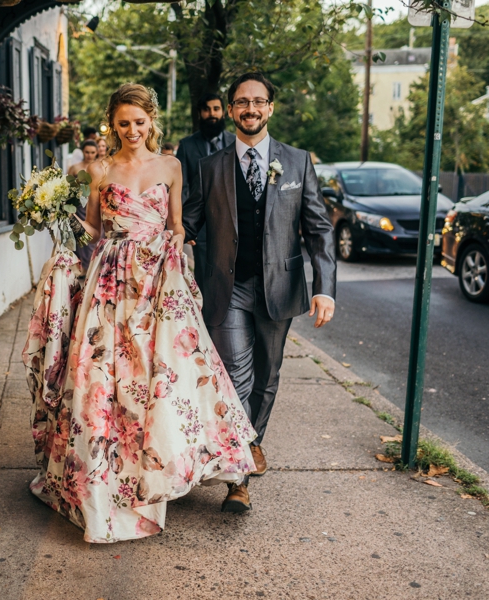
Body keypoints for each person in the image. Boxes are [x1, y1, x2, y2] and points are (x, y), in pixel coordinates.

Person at [23, 83, 258, 545]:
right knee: (102, 376)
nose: (132, 130)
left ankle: (161, 469)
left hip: (158, 280)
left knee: (162, 373)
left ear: (152, 122)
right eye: (123, 123)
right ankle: (103, 482)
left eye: (139, 122)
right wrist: (56, 212)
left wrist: (174, 248)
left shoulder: (170, 166)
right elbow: (92, 228)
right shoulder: (100, 168)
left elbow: (175, 224)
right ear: (113, 124)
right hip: (110, 280)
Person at [182, 72, 336, 487]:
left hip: (280, 288)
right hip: (226, 288)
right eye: (242, 101)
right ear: (231, 109)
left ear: (270, 108)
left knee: (267, 378)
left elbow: (319, 228)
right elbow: (186, 225)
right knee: (235, 374)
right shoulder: (208, 167)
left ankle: (249, 447)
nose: (250, 108)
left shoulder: (298, 161)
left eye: (258, 101)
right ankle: (239, 476)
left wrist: (324, 287)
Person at [176, 92, 236, 289]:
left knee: (233, 272)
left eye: (216, 109)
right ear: (200, 113)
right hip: (201, 224)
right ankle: (205, 316)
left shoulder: (236, 143)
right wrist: (188, 223)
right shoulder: (187, 145)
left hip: (233, 221)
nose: (212, 113)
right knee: (203, 274)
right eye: (207, 109)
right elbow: (182, 185)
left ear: (224, 112)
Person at [67, 140, 99, 270]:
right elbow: (67, 187)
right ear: (82, 152)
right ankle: (81, 267)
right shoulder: (75, 168)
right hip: (79, 206)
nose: (89, 155)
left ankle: (92, 267)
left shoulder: (99, 167)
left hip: (95, 204)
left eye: (92, 152)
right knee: (79, 234)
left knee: (93, 236)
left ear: (96, 153)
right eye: (87, 152)